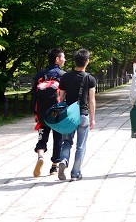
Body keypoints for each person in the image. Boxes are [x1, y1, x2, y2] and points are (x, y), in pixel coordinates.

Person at [56, 48, 96, 182]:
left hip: (69, 115)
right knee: (81, 146)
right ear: (87, 61)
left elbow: (61, 98)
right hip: (83, 115)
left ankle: (63, 159)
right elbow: (91, 100)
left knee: (66, 141)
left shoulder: (65, 77)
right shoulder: (90, 78)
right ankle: (75, 173)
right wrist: (92, 118)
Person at [31, 48, 65, 177]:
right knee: (58, 139)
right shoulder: (62, 75)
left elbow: (34, 95)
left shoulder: (40, 75)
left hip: (42, 112)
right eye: (63, 57)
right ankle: (54, 167)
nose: (64, 59)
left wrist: (35, 112)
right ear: (57, 59)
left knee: (42, 136)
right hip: (57, 112)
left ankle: (40, 156)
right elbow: (64, 95)